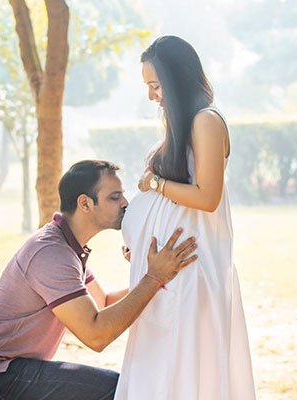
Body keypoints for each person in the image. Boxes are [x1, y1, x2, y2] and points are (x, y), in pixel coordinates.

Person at [0, 160, 198, 400]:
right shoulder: (51, 254)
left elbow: (102, 303)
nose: (125, 203)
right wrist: (153, 277)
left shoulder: (68, 248)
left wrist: (155, 274)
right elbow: (96, 335)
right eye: (114, 197)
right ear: (85, 204)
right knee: (120, 391)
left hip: (8, 370)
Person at [114, 36, 256, 399]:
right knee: (161, 369)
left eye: (156, 86)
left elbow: (206, 197)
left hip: (191, 269)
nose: (151, 96)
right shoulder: (182, 126)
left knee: (183, 371)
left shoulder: (205, 121)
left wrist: (155, 183)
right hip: (169, 270)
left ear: (176, 80)